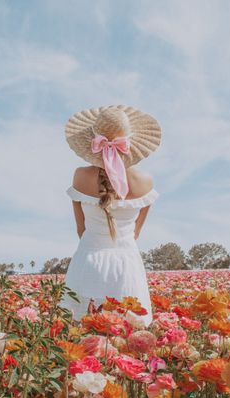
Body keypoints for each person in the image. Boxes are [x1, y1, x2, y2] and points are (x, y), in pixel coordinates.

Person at [62, 104, 161, 326]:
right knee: (125, 339)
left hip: (88, 262)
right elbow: (135, 234)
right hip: (126, 267)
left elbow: (81, 230)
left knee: (83, 336)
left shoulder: (80, 176)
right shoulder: (145, 183)